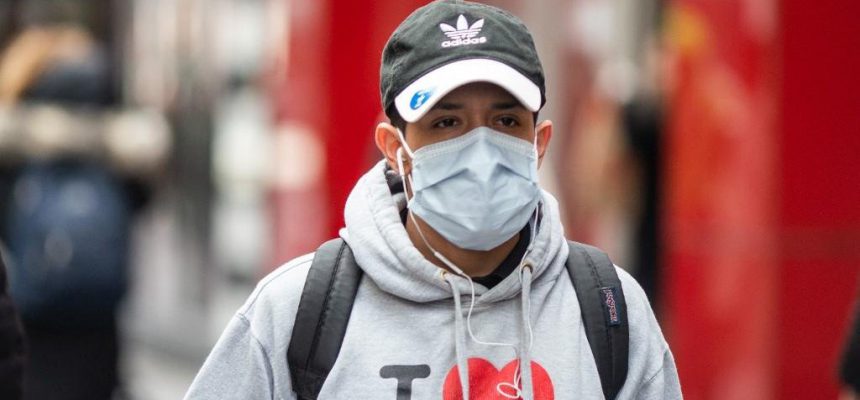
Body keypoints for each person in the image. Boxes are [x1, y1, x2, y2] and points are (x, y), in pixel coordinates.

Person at [185, 1, 681, 399]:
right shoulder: (293, 314)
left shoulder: (611, 312)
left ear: (539, 143)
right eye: (446, 122)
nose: (480, 147)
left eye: (506, 121)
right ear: (394, 149)